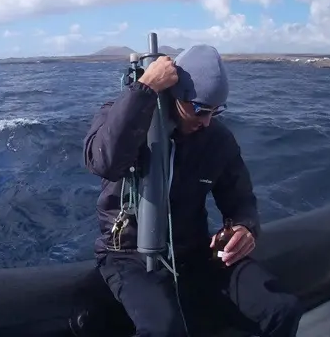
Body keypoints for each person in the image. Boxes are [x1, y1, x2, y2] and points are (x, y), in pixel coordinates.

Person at [83, 45, 303, 337]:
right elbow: (104, 161)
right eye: (200, 109)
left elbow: (240, 198)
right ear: (177, 95)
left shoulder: (217, 139)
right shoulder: (125, 115)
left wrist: (245, 227)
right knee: (164, 331)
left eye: (216, 111)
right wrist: (144, 89)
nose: (207, 121)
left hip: (194, 253)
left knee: (282, 309)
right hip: (127, 254)